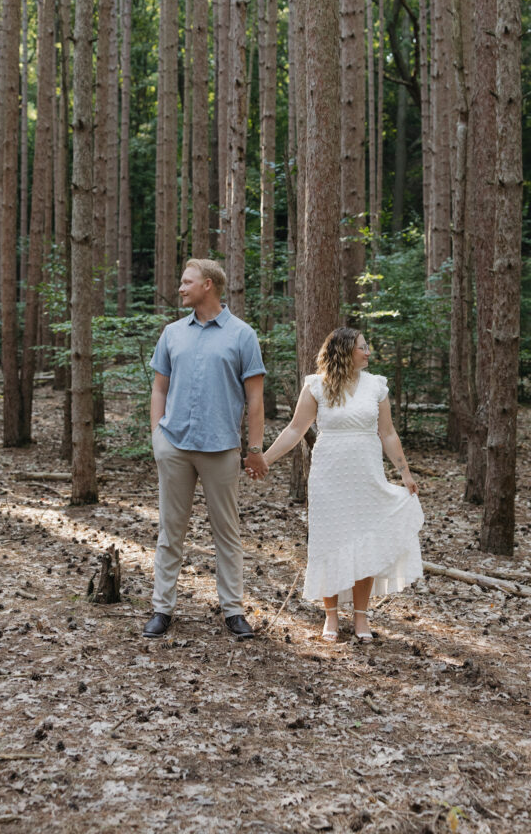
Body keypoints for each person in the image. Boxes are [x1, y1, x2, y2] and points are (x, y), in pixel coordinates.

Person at [263, 327, 423, 642]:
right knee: (329, 542)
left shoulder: (377, 386)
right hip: (329, 476)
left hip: (366, 474)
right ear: (345, 351)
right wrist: (264, 460)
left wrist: (404, 471)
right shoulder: (317, 386)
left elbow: (387, 433)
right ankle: (331, 617)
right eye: (363, 347)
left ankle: (361, 618)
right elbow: (296, 430)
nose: (368, 352)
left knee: (365, 541)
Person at [142, 259, 268, 640]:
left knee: (226, 533)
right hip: (174, 445)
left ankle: (233, 611)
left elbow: (256, 400)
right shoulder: (172, 333)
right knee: (170, 531)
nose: (180, 288)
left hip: (221, 449)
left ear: (208, 285)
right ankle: (162, 608)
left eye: (187, 282)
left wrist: (255, 448)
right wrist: (156, 437)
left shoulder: (242, 335)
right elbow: (159, 388)